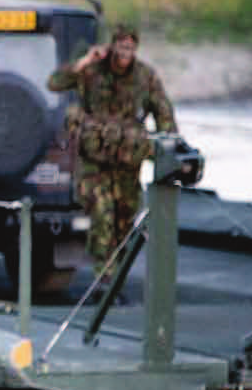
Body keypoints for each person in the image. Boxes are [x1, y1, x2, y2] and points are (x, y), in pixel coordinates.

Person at [47, 23, 178, 289]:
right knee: (102, 215)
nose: (125, 52)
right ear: (113, 45)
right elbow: (55, 83)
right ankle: (105, 282)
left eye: (130, 47)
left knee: (124, 219)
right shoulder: (92, 69)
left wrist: (169, 146)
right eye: (120, 45)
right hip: (94, 160)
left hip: (127, 161)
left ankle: (114, 276)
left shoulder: (145, 76)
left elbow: (163, 112)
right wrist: (83, 62)